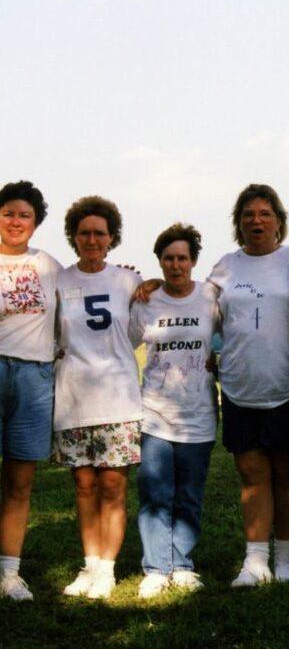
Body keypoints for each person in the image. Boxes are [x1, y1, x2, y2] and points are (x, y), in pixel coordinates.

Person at [208, 184, 289, 587]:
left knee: (285, 474)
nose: (256, 221)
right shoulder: (225, 267)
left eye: (265, 214)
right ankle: (255, 561)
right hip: (239, 387)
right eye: (248, 214)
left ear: (279, 221)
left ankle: (286, 557)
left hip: (288, 383)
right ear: (238, 223)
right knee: (251, 475)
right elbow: (201, 313)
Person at [54, 196, 143, 600]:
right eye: (85, 232)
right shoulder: (58, 279)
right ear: (74, 236)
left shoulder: (127, 281)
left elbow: (138, 333)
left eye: (100, 233)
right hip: (72, 398)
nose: (92, 239)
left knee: (112, 485)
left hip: (118, 399)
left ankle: (107, 569)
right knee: (84, 486)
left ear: (112, 239)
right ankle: (89, 565)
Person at [129, 223, 219, 598]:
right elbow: (124, 344)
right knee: (155, 492)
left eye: (183, 258)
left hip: (198, 413)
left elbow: (231, 337)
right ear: (160, 262)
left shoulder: (211, 297)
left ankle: (181, 563)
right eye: (168, 258)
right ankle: (156, 567)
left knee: (189, 494)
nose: (176, 265)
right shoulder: (146, 301)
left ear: (194, 261)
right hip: (154, 411)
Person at [0, 181, 61, 602]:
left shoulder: (50, 265)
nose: (16, 221)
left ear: (36, 223)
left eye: (24, 215)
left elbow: (94, 287)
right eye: (8, 213)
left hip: (35, 376)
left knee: (20, 482)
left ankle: (9, 573)